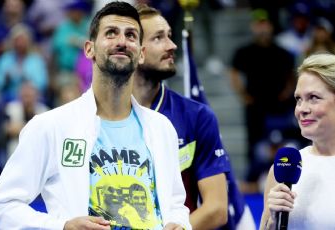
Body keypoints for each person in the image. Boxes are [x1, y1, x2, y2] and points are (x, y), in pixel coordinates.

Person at [0, 2, 191, 229]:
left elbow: (175, 205)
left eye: (131, 35)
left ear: (141, 54)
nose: (122, 41)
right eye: (111, 33)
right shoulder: (50, 126)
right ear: (89, 49)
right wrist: (62, 226)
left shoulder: (162, 128)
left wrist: (179, 224)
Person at [133, 4, 256, 229]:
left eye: (170, 36)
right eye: (159, 38)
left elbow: (217, 209)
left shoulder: (196, 115)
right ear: (136, 50)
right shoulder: (99, 115)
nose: (172, 45)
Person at [260, 53, 335, 229]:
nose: (302, 109)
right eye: (298, 99)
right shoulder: (285, 168)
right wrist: (272, 221)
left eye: (313, 98)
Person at [229, 8, 298, 193]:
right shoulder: (244, 51)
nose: (262, 28)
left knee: (284, 143)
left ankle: (287, 179)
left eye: (265, 24)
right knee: (254, 145)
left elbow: (293, 74)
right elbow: (233, 73)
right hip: (255, 108)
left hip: (280, 107)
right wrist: (243, 95)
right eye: (259, 24)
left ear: (271, 26)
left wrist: (287, 92)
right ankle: (255, 181)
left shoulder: (283, 52)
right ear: (253, 27)